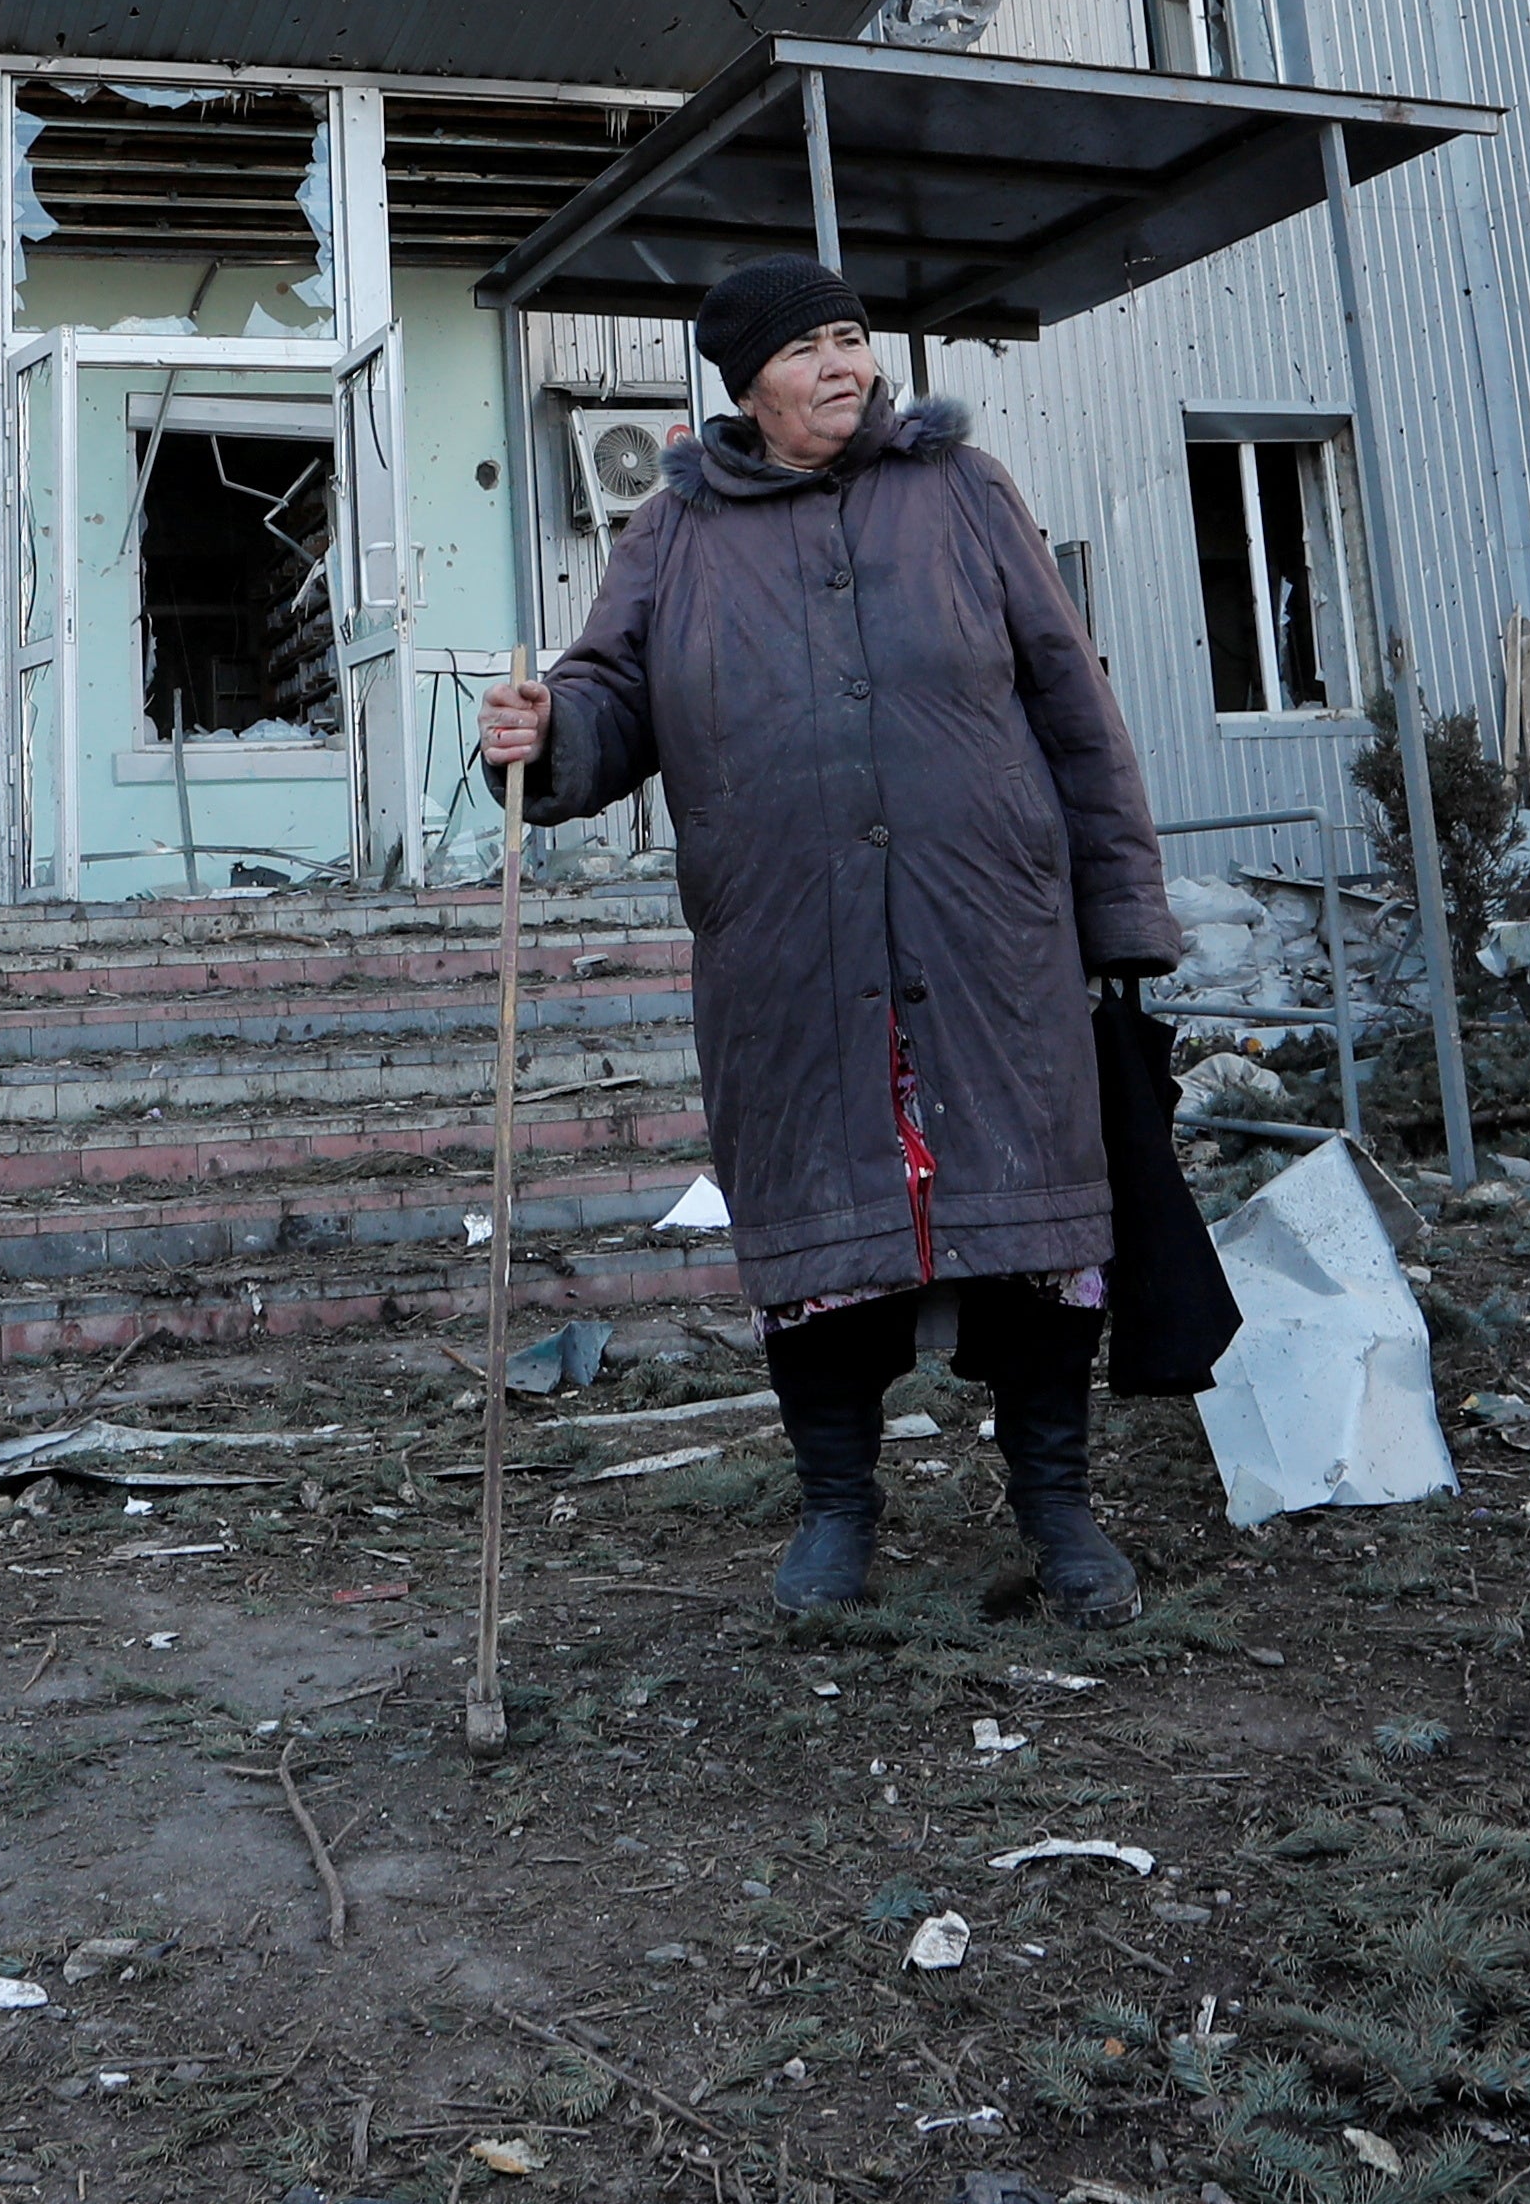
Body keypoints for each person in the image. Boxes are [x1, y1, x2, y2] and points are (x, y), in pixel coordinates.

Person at [479, 258, 1177, 1625]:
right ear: (747, 385)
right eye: (808, 349)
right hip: (790, 949)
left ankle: (1059, 1510)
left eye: (855, 339)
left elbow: (1071, 703)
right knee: (818, 1238)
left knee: (1037, 1227)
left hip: (989, 937)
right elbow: (610, 694)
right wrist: (547, 731)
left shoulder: (965, 496)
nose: (844, 367)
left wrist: (1122, 916)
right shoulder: (673, 535)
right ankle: (836, 1512)